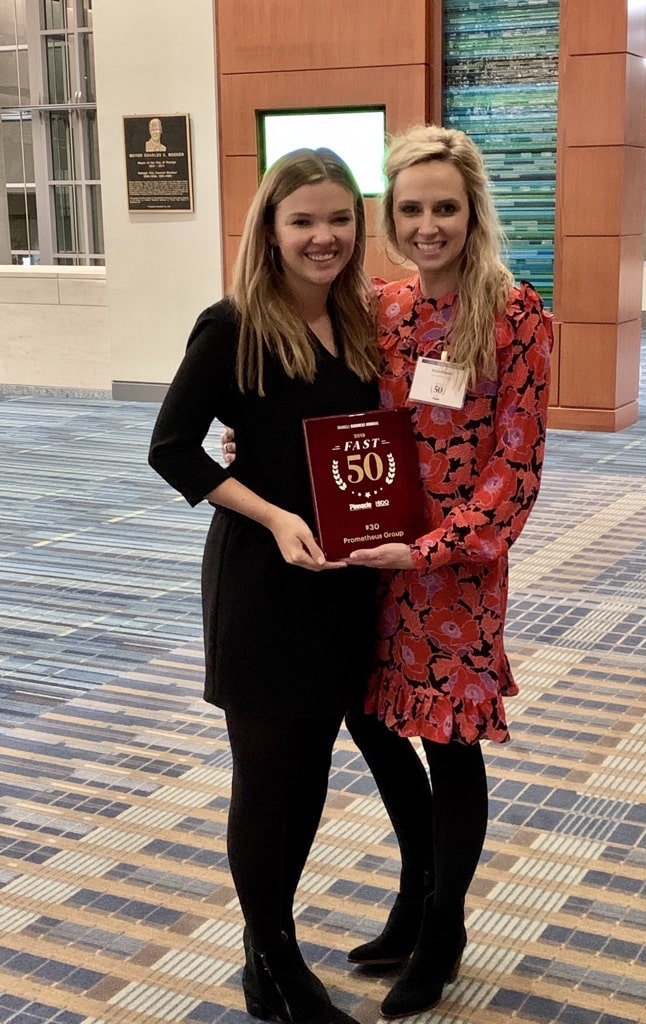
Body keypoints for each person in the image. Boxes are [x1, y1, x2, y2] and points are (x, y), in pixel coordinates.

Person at [223, 125, 553, 1020]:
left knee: (450, 745)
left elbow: (514, 470)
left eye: (445, 206)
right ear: (391, 217)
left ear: (472, 210)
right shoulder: (382, 306)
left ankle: (443, 927)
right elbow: (331, 416)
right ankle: (414, 893)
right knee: (373, 726)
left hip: (454, 573)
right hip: (371, 563)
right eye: (411, 208)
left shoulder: (516, 313)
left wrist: (435, 549)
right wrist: (247, 443)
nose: (428, 223)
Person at [148, 148, 382, 1024]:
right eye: (303, 221)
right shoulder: (235, 322)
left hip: (340, 578)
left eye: (339, 219)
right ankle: (282, 960)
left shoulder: (356, 322)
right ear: (271, 229)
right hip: (263, 576)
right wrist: (275, 514)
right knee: (266, 775)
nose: (324, 237)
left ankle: (261, 955)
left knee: (314, 770)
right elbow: (172, 449)